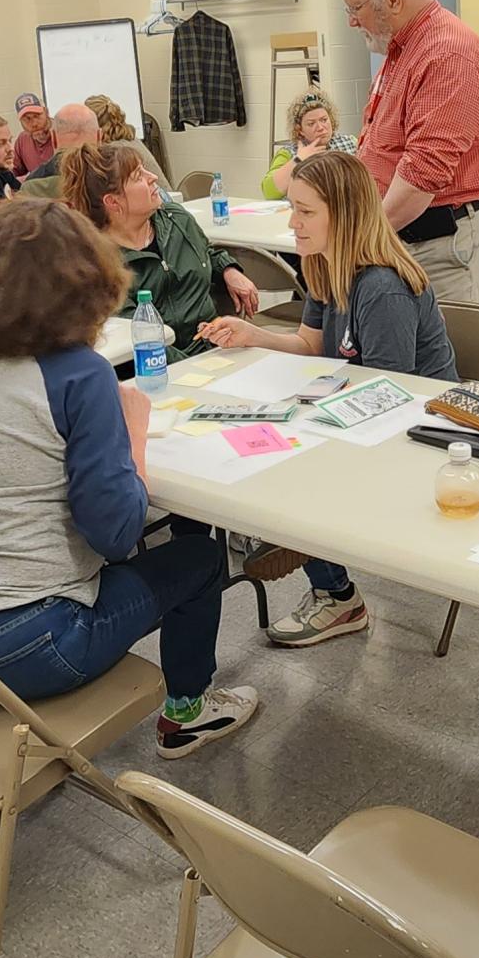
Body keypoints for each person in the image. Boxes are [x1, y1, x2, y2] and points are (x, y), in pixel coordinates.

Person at [0, 198, 257, 759]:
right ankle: (187, 710)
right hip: (21, 649)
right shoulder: (77, 373)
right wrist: (132, 431)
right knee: (200, 559)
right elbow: (114, 532)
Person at [197, 150, 458, 647]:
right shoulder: (326, 263)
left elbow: (390, 395)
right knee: (267, 446)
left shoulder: (382, 286)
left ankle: (334, 593)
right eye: (292, 208)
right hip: (367, 411)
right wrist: (254, 335)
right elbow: (310, 347)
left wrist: (302, 418)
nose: (292, 222)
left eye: (305, 211)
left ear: (345, 215)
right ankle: (296, 546)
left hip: (418, 434)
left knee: (290, 468)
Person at [345, 0, 479, 304]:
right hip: (402, 233)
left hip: (443, 243)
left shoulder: (447, 54)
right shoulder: (402, 50)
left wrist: (357, 242)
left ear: (393, 0)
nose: (352, 21)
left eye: (356, 8)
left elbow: (422, 176)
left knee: (454, 353)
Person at [60, 141, 258, 359]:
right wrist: (200, 367)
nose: (152, 177)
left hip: (216, 346)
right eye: (138, 176)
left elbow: (205, 251)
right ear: (113, 201)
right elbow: (138, 339)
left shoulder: (175, 219)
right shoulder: (98, 262)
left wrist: (229, 270)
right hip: (160, 365)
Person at [261, 90, 358, 199]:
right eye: (311, 124)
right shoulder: (288, 153)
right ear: (300, 130)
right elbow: (269, 191)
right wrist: (298, 160)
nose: (320, 127)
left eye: (324, 120)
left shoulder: (350, 142)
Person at [11, 92, 55, 176]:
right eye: (27, 119)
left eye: (37, 116)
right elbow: (14, 173)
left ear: (46, 112)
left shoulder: (62, 132)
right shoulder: (22, 140)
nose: (34, 124)